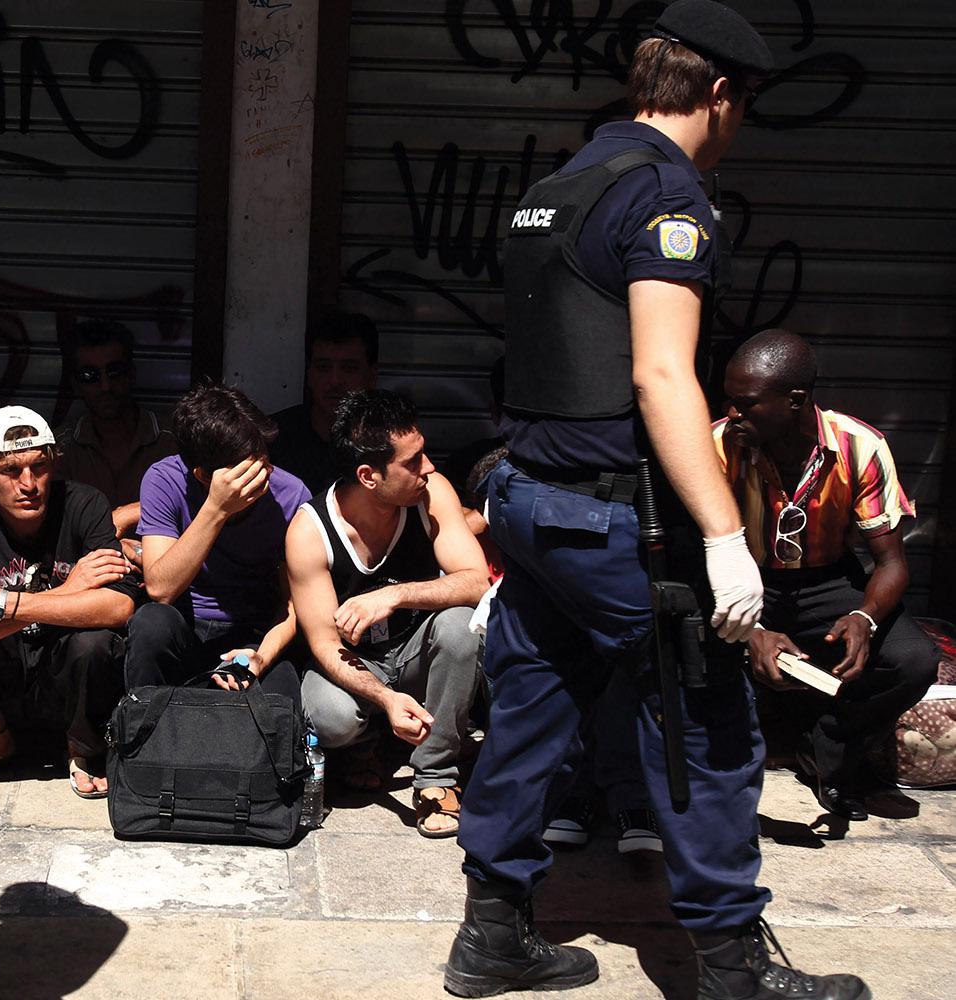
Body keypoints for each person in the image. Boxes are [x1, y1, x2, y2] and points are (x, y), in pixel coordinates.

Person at [446, 3, 869, 998]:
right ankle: (733, 969)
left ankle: (492, 936)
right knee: (706, 721)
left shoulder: (558, 185)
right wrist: (726, 535)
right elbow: (664, 378)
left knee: (530, 715)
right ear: (720, 95)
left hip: (527, 499)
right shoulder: (666, 198)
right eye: (744, 108)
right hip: (608, 519)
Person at [717, 329, 937, 821]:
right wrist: (750, 629)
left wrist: (865, 617)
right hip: (738, 575)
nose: (733, 414)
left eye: (746, 404)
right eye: (730, 402)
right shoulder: (718, 446)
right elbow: (692, 560)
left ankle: (829, 748)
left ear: (795, 401)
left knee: (913, 660)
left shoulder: (859, 446)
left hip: (826, 580)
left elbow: (892, 562)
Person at [0, 406, 141, 797]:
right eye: (11, 471)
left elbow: (119, 608)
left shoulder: (84, 505)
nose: (28, 484)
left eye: (39, 467)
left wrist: (3, 604)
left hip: (61, 668)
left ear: (55, 464)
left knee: (95, 641)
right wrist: (68, 592)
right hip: (3, 675)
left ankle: (82, 748)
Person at [286, 390, 488, 838]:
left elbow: (477, 582)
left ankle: (436, 776)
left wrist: (395, 597)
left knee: (461, 626)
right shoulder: (310, 529)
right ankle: (369, 742)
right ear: (369, 476)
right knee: (328, 716)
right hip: (357, 663)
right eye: (413, 461)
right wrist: (385, 699)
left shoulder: (430, 494)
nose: (429, 467)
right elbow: (323, 644)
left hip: (417, 651)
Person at [128, 384, 308, 710]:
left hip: (252, 633)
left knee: (282, 699)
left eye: (263, 456)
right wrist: (216, 508)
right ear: (201, 474)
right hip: (184, 625)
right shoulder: (164, 480)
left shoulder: (291, 495)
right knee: (150, 624)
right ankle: (145, 742)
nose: (261, 472)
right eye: (245, 466)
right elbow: (160, 589)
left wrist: (261, 658)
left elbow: (295, 604)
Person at [55, 319, 178, 541]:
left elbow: (204, 504)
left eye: (114, 372)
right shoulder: (60, 449)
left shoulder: (173, 439)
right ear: (75, 384)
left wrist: (131, 512)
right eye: (89, 376)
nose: (105, 387)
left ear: (131, 374)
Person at [268, 311, 379, 495]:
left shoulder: (389, 444)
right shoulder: (272, 441)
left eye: (348, 368)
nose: (335, 381)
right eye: (323, 367)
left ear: (372, 375)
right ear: (309, 373)